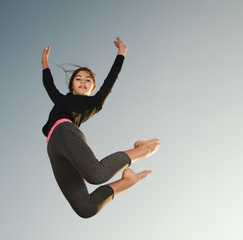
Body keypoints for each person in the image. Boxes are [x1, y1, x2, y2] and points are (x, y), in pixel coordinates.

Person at [42, 37, 160, 218]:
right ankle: (128, 181)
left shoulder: (94, 103)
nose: (83, 81)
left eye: (88, 80)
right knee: (86, 208)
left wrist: (122, 52)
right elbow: (48, 85)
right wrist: (45, 62)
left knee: (96, 175)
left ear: (93, 87)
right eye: (78, 79)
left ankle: (143, 149)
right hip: (52, 147)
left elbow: (111, 79)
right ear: (72, 85)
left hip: (65, 131)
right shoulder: (61, 99)